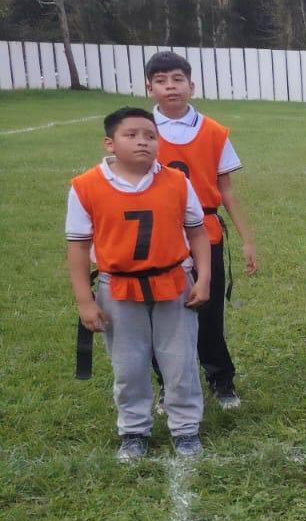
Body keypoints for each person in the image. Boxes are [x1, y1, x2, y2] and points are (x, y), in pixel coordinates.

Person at [68, 108, 211, 461]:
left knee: (180, 361)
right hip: (118, 287)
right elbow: (78, 246)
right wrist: (85, 301)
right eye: (131, 135)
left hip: (174, 281)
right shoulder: (86, 186)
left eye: (149, 135)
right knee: (128, 364)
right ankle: (133, 430)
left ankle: (186, 428)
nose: (142, 142)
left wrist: (204, 277)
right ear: (110, 143)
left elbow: (197, 231)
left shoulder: (177, 181)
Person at [145, 50, 258, 409]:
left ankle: (221, 379)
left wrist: (246, 239)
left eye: (177, 79)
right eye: (161, 81)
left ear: (191, 85)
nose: (170, 87)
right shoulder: (139, 131)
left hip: (206, 233)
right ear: (149, 88)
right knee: (161, 314)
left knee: (208, 311)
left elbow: (226, 191)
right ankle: (168, 384)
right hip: (159, 236)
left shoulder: (213, 131)